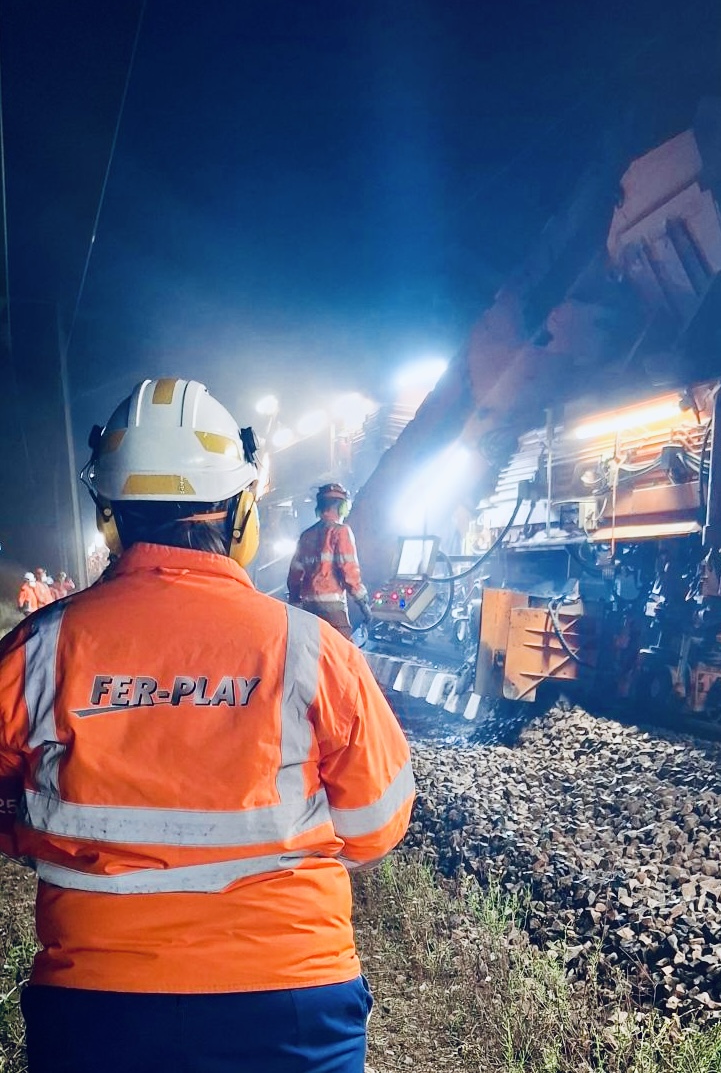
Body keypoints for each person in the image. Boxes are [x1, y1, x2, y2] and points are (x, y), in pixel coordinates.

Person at [0, 377, 414, 1073]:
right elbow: (377, 824)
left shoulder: (38, 649)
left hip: (97, 1005)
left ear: (109, 519)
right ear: (242, 515)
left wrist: (37, 832)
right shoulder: (313, 650)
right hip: (292, 997)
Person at [287, 483, 373, 639]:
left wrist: (294, 602)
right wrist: (362, 602)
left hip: (308, 607)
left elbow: (294, 575)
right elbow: (349, 571)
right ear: (342, 507)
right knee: (342, 650)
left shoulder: (306, 535)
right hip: (332, 608)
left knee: (315, 647)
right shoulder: (341, 531)